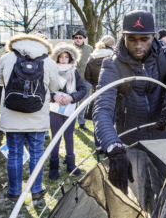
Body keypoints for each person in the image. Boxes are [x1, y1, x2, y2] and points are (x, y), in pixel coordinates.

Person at [93, 10, 166, 195]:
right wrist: (114, 147)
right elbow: (102, 110)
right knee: (139, 197)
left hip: (162, 140)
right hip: (130, 143)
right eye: (132, 39)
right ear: (123, 36)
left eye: (144, 39)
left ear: (154, 36)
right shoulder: (112, 65)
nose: (138, 45)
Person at [0, 34, 60, 202]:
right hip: (37, 116)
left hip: (12, 114)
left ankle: (14, 192)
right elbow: (55, 86)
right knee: (37, 153)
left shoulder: (7, 57)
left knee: (14, 153)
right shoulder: (49, 61)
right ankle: (36, 190)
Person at [48, 43, 87, 180]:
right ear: (56, 57)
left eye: (66, 57)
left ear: (71, 58)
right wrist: (54, 96)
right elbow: (44, 89)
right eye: (61, 56)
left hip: (70, 108)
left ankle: (71, 165)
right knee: (56, 137)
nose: (63, 59)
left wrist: (72, 97)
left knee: (69, 136)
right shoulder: (51, 70)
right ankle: (53, 167)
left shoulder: (74, 71)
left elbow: (83, 89)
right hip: (54, 109)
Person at [85, 35, 115, 149]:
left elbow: (87, 75)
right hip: (111, 90)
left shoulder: (92, 57)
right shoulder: (113, 56)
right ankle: (108, 144)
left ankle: (98, 144)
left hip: (96, 90)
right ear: (112, 45)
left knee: (98, 116)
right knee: (109, 118)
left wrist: (94, 83)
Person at [72, 29, 93, 131]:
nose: (78, 39)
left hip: (85, 79)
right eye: (76, 37)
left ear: (84, 38)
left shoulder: (90, 49)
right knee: (71, 102)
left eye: (80, 37)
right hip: (71, 80)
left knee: (83, 102)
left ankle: (81, 123)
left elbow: (93, 64)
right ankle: (70, 123)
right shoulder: (69, 48)